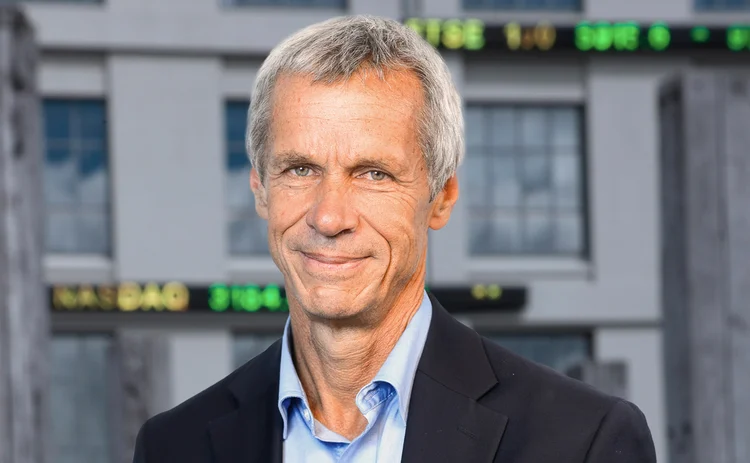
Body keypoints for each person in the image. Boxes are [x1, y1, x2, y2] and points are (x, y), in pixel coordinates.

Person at [132, 15, 656, 463]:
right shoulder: (174, 446)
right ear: (260, 190)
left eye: (373, 174)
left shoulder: (581, 442)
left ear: (441, 197)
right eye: (299, 169)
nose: (329, 217)